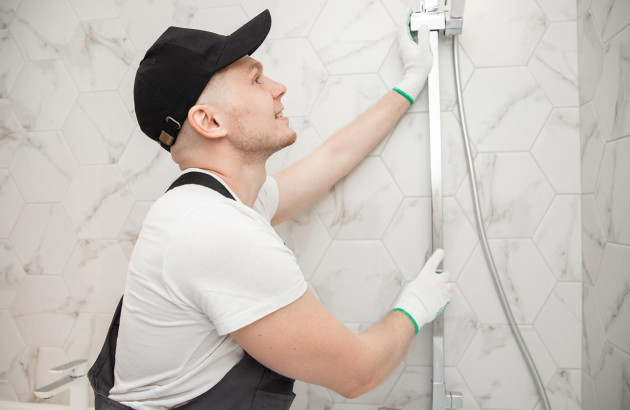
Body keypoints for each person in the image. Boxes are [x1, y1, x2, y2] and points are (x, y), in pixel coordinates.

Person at [94, 9, 451, 410]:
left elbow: (333, 157)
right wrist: (416, 306)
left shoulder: (207, 201)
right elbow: (359, 373)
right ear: (209, 120)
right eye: (256, 79)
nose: (278, 87)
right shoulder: (213, 229)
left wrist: (410, 82)